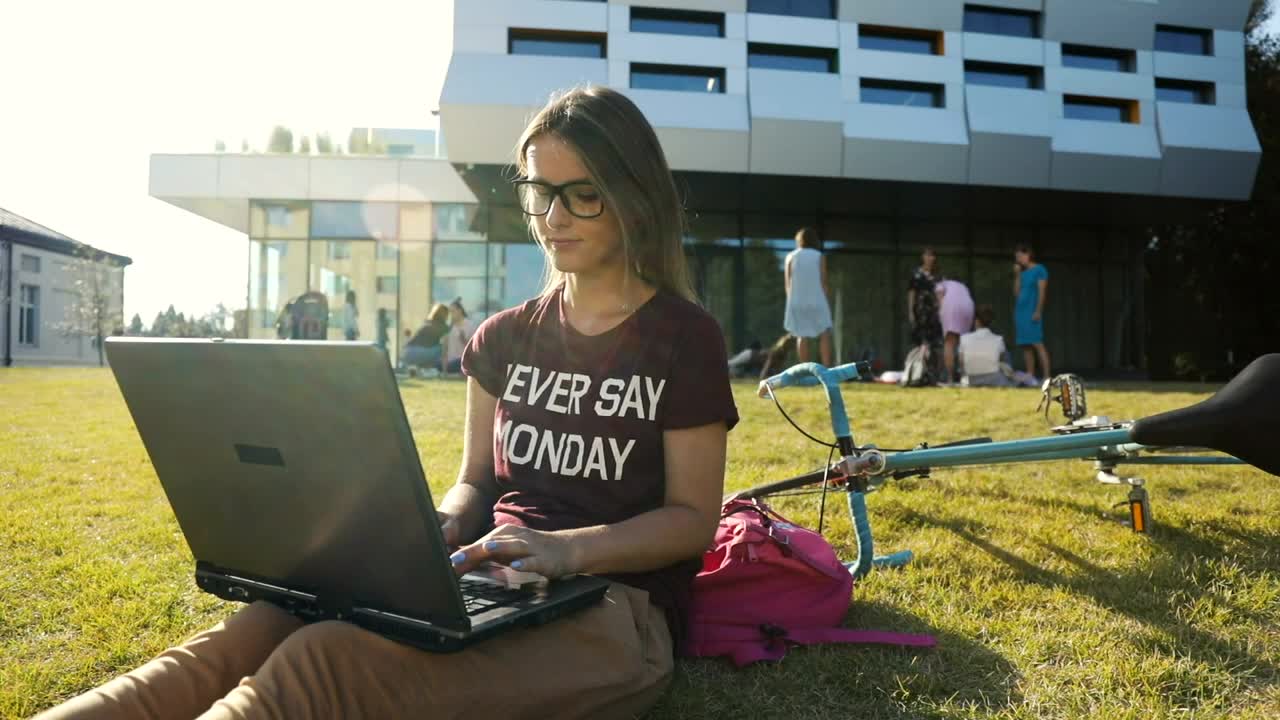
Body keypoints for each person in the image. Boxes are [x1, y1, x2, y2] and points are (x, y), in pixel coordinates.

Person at [36, 85, 737, 720]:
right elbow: (478, 482)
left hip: (614, 609)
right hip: (486, 578)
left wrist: (564, 550)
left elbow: (690, 521)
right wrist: (426, 532)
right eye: (539, 191)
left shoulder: (683, 340)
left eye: (581, 194)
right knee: (248, 634)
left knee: (324, 667)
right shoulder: (502, 339)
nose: (552, 217)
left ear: (632, 195)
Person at [783, 227, 834, 367]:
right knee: (824, 333)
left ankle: (805, 371)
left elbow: (788, 285)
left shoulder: (790, 257)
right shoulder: (819, 256)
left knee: (801, 334)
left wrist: (791, 303)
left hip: (797, 302)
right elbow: (824, 282)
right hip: (817, 300)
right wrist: (827, 301)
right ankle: (826, 370)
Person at [1013, 244, 1050, 380]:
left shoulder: (1039, 269)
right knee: (1025, 346)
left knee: (1037, 343)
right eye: (1017, 258)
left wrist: (1038, 311)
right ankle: (1030, 375)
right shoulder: (1021, 273)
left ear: (1028, 254)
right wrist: (1017, 275)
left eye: (1021, 256)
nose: (1019, 260)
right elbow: (1016, 294)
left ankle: (1047, 376)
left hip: (1032, 312)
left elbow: (1042, 291)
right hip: (1020, 312)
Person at [907, 247, 943, 383]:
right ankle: (919, 373)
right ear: (923, 257)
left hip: (934, 314)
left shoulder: (937, 275)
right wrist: (911, 312)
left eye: (932, 255)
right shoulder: (916, 274)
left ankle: (936, 375)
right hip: (920, 313)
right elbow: (911, 293)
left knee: (936, 344)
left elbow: (940, 294)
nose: (930, 258)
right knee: (921, 343)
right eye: (928, 255)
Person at [958, 304, 1012, 387]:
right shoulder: (999, 340)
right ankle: (1012, 376)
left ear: (976, 321)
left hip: (971, 380)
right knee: (1005, 354)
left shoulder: (963, 338)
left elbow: (961, 363)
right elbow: (1001, 361)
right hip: (994, 380)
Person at [935, 277, 975, 384]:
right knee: (963, 344)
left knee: (949, 343)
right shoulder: (963, 286)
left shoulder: (942, 282)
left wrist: (940, 314)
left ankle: (950, 378)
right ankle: (965, 377)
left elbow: (940, 298)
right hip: (968, 306)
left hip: (952, 307)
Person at [400, 302, 450, 373]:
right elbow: (450, 336)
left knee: (437, 348)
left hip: (407, 352)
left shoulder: (427, 323)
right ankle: (433, 369)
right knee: (443, 347)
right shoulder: (443, 327)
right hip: (419, 353)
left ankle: (417, 369)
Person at [442, 298, 479, 374]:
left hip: (462, 360)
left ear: (460, 311)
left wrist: (463, 340)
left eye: (453, 311)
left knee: (459, 363)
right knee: (437, 363)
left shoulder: (470, 326)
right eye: (450, 312)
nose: (451, 315)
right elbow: (445, 350)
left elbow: (474, 349)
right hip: (450, 361)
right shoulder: (450, 327)